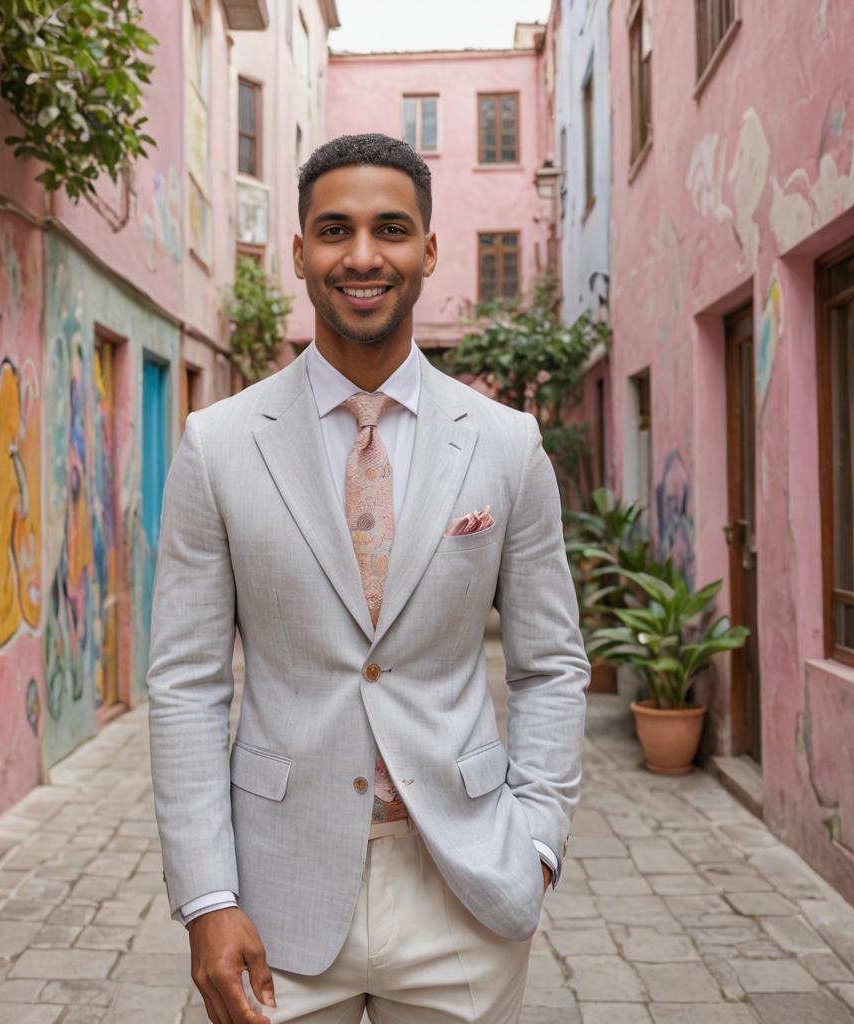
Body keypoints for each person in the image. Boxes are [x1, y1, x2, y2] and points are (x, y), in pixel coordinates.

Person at [147, 133, 589, 1024]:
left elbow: (551, 663)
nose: (361, 256)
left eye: (390, 229)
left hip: (463, 886)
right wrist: (205, 898)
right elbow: (185, 685)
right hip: (274, 894)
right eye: (334, 230)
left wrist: (536, 839)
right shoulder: (218, 445)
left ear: (427, 250)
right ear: (300, 251)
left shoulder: (507, 444)